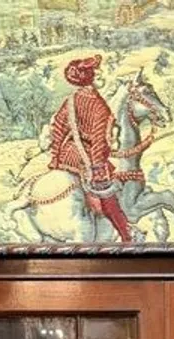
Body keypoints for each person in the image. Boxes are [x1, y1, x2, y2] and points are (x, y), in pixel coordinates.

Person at [49, 54, 132, 241]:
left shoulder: (71, 100)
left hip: (67, 155)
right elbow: (98, 140)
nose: (99, 74)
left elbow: (58, 129)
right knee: (108, 196)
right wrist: (98, 167)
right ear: (91, 77)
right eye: (95, 72)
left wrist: (55, 156)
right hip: (88, 159)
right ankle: (127, 234)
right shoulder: (98, 105)